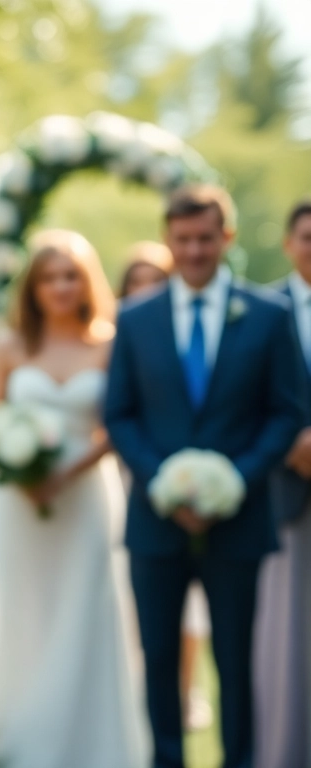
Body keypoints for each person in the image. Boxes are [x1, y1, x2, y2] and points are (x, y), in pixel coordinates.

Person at [104, 184, 303, 768]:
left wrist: (237, 479)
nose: (194, 251)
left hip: (241, 521)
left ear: (227, 237)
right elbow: (119, 413)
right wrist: (162, 482)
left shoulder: (269, 315)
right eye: (184, 239)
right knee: (160, 660)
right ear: (168, 239)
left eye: (206, 239)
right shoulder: (134, 319)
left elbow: (286, 411)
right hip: (156, 522)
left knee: (236, 664)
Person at [0, 229, 149, 768]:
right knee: (25, 606)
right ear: (33, 287)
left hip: (86, 493)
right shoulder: (8, 347)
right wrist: (21, 473)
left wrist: (68, 472)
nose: (60, 287)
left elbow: (120, 425)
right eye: (48, 277)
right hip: (16, 499)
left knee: (86, 605)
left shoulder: (111, 343)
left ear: (87, 282)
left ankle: (90, 744)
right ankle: (16, 740)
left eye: (70, 276)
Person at [118, 243, 216, 734]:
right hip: (133, 480)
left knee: (193, 609)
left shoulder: (185, 327)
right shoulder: (121, 332)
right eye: (135, 282)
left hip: (201, 482)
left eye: (153, 281)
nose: (144, 291)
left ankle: (188, 688)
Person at [252, 199, 311, 768]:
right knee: (287, 637)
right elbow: (245, 395)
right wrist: (290, 443)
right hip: (286, 492)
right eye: (308, 237)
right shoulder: (262, 311)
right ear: (290, 243)